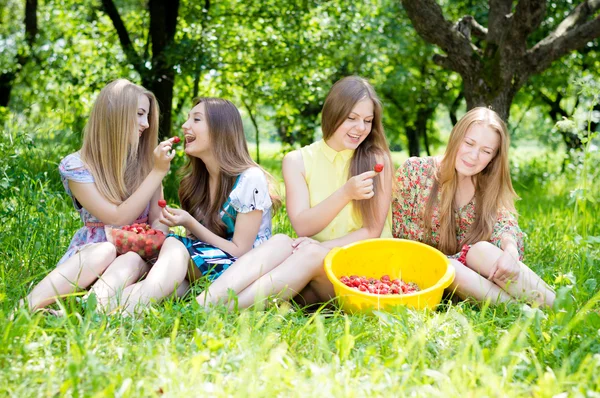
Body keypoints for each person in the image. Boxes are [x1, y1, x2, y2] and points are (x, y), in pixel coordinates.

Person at [196, 76, 393, 309]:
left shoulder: (377, 159)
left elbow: (372, 230)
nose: (360, 128)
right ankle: (205, 302)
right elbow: (303, 227)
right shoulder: (297, 160)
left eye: (367, 121)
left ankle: (222, 311)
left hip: (360, 270)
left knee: (308, 255)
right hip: (310, 266)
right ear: (333, 113)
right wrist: (345, 193)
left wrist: (321, 247)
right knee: (281, 241)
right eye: (351, 118)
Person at [114, 97, 277, 314]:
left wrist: (188, 222)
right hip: (209, 266)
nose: (185, 125)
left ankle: (128, 311)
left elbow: (240, 251)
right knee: (169, 285)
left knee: (173, 246)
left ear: (221, 130)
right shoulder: (195, 183)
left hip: (242, 272)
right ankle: (101, 308)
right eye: (188, 118)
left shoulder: (250, 178)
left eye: (196, 119)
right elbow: (198, 241)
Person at [25, 79, 176, 311]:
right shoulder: (77, 166)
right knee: (106, 250)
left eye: (147, 116)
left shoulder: (147, 165)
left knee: (132, 259)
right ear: (115, 114)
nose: (145, 124)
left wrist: (150, 238)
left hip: (132, 262)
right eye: (139, 114)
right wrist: (156, 172)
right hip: (91, 258)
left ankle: (89, 309)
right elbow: (116, 218)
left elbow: (158, 219)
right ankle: (25, 308)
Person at [392, 107, 555, 307]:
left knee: (481, 250)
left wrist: (511, 252)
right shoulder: (415, 171)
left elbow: (505, 224)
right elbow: (391, 232)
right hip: (420, 273)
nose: (474, 156)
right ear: (456, 138)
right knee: (448, 265)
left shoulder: (487, 185)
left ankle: (562, 307)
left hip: (472, 283)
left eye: (486, 151)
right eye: (469, 143)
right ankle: (523, 312)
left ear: (493, 157)